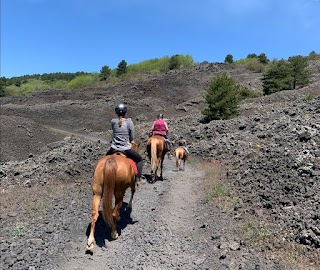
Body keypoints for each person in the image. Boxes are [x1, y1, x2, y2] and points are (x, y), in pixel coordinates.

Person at [106, 103, 145, 184]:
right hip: (125, 148)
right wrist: (130, 139)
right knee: (140, 160)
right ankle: (138, 179)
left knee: (104, 160)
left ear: (116, 112)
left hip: (114, 147)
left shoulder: (113, 121)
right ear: (125, 112)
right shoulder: (129, 122)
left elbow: (114, 131)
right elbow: (131, 136)